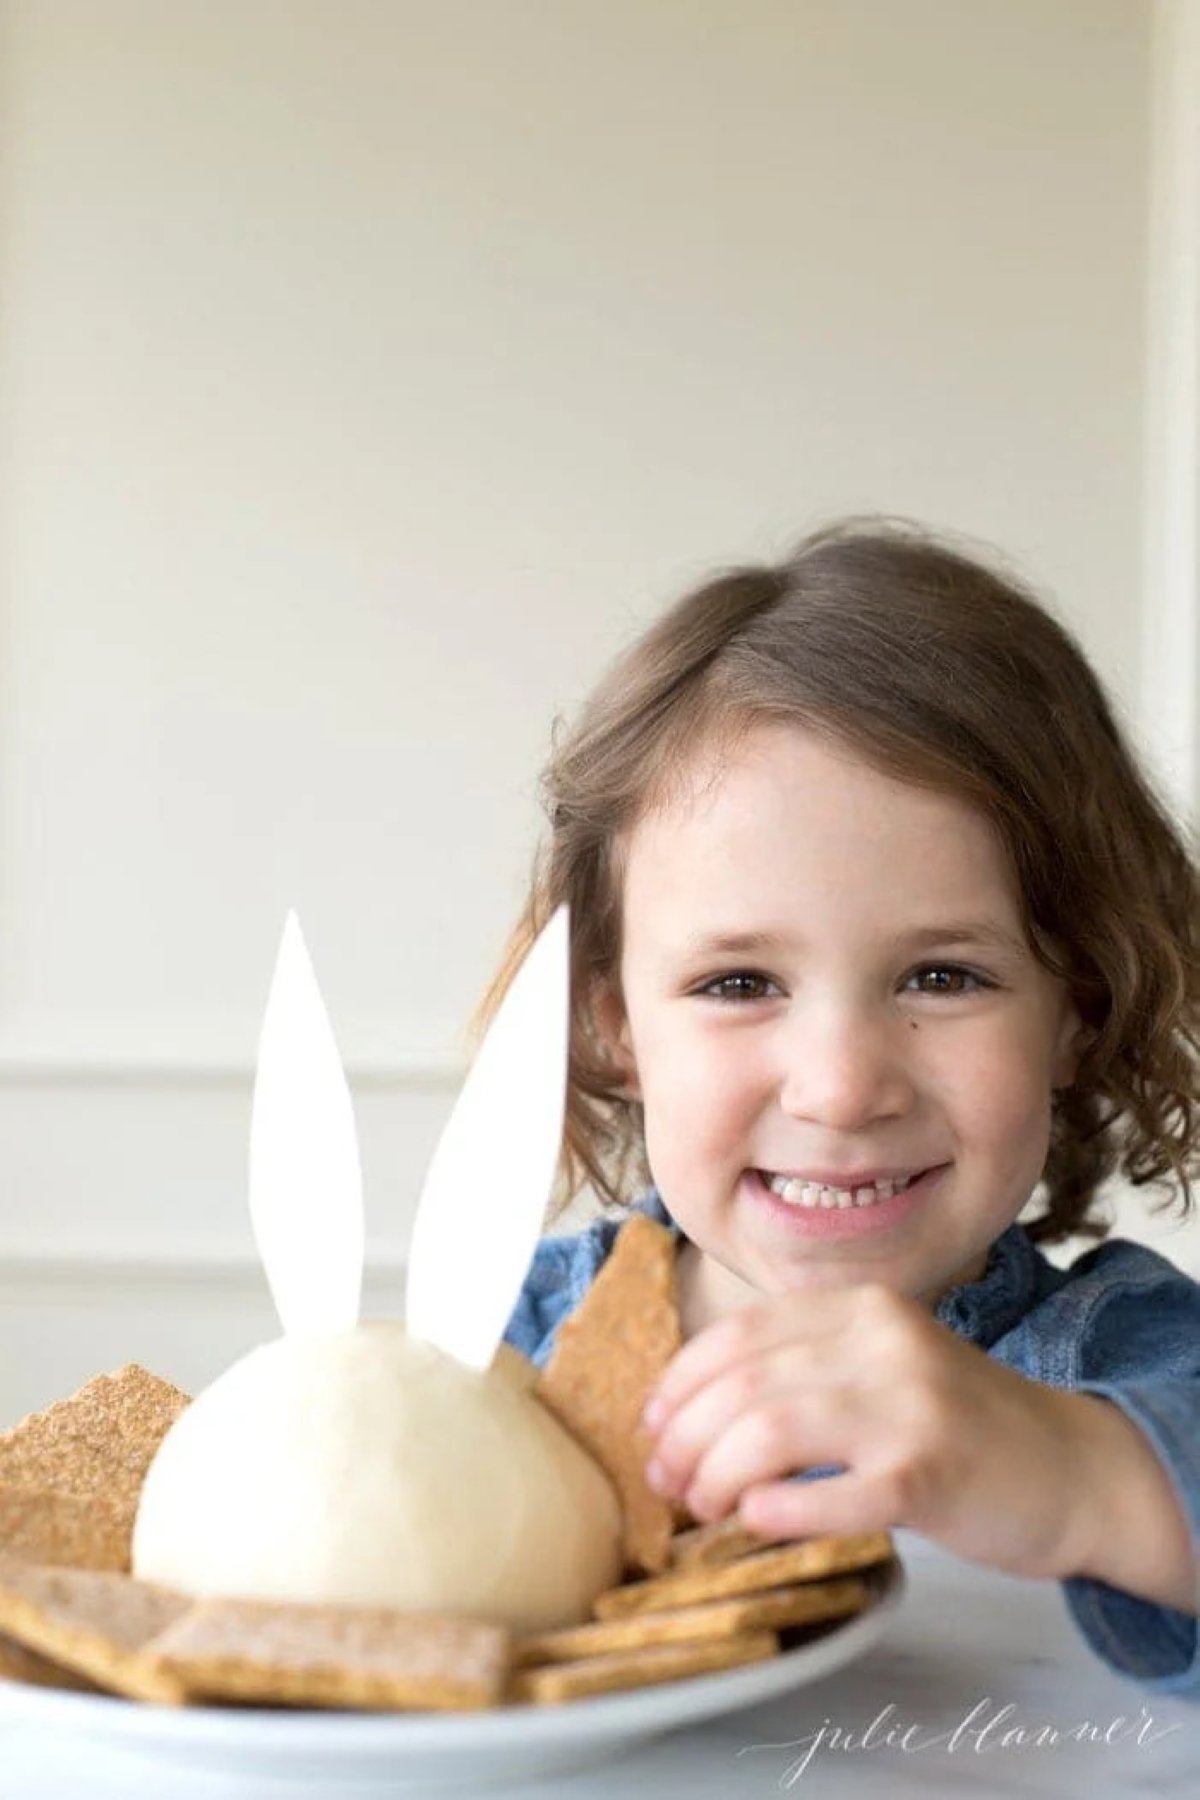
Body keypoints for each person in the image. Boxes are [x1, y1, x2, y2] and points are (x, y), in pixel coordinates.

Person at [484, 516, 1199, 1697]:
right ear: (613, 1025)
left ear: (1078, 1008)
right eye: (739, 984)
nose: (842, 1085)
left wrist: (1082, 1481)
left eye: (942, 977)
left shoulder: (1125, 1361)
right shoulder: (517, 1349)